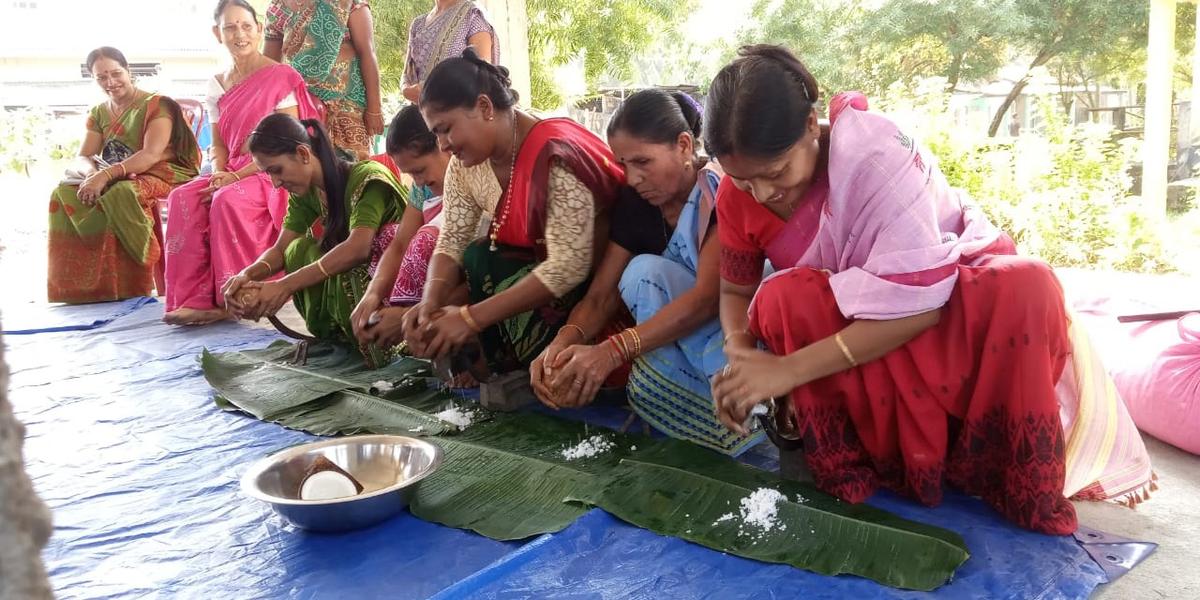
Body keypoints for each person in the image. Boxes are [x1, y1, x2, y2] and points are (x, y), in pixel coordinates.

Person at [705, 45, 1152, 535]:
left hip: (937, 307)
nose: (764, 194)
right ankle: (857, 463)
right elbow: (734, 293)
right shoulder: (738, 194)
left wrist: (785, 370)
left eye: (776, 173)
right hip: (855, 330)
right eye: (744, 182)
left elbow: (919, 309)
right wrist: (741, 353)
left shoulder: (876, 159)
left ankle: (995, 471)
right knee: (782, 297)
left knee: (1027, 284)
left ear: (812, 124)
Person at [529, 89, 763, 456]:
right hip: (684, 334)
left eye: (643, 162)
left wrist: (611, 351)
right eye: (624, 164)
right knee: (639, 273)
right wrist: (561, 344)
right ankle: (690, 408)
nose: (632, 177)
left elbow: (706, 299)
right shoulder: (635, 202)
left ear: (684, 146)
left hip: (735, 332)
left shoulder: (718, 193)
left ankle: (744, 410)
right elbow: (601, 296)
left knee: (646, 273)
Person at [394, 49, 624, 379]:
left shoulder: (553, 154)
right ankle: (507, 366)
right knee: (477, 255)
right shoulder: (464, 166)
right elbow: (452, 241)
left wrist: (471, 318)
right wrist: (430, 302)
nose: (443, 145)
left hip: (596, 287)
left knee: (488, 265)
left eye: (446, 129)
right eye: (436, 134)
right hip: (539, 276)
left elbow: (567, 269)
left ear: (485, 107)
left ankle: (538, 362)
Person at [163, 0, 323, 325]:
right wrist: (221, 170)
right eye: (230, 27)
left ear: (259, 29)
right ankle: (193, 298)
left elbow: (290, 142)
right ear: (217, 33)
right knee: (182, 197)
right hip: (231, 170)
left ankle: (234, 296)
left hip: (270, 170)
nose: (240, 34)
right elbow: (218, 143)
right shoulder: (217, 83)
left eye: (246, 26)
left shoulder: (280, 77)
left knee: (226, 200)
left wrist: (235, 179)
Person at [222, 114, 407, 366]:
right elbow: (280, 249)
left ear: (303, 153)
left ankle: (385, 348)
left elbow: (358, 248)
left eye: (277, 170)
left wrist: (285, 285)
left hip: (395, 284)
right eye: (268, 174)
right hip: (360, 283)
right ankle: (338, 339)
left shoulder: (368, 178)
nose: (275, 183)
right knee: (299, 250)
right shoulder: (307, 192)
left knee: (345, 262)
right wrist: (248, 275)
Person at [47, 47, 200, 304]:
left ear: (129, 71)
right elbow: (84, 155)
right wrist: (91, 176)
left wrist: (105, 176)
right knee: (62, 193)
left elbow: (151, 154)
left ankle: (137, 273)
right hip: (117, 173)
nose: (110, 82)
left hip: (164, 171)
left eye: (116, 73)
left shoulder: (156, 105)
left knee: (121, 193)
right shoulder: (98, 113)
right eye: (101, 77)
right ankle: (85, 288)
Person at [352, 105, 452, 345]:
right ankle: (402, 326)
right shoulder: (423, 187)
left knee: (425, 240)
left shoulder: (470, 175)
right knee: (387, 236)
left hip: (464, 274)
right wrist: (373, 293)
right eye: (411, 175)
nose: (419, 181)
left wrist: (409, 314)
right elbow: (399, 242)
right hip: (441, 270)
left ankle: (419, 327)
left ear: (442, 144)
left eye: (419, 170)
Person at [264, 0, 385, 158]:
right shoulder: (276, 8)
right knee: (312, 171)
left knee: (354, 172)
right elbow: (270, 71)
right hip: (305, 107)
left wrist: (374, 109)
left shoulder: (348, 2)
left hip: (349, 106)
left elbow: (367, 52)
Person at [402, 0, 498, 104]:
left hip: (457, 112)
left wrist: (431, 92)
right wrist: (406, 91)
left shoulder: (472, 16)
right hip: (419, 112)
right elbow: (406, 73)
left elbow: (481, 74)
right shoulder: (417, 24)